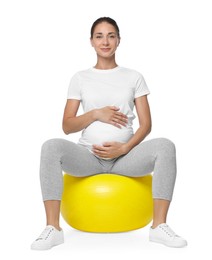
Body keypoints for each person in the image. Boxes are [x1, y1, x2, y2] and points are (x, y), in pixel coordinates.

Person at [31, 17, 187, 250]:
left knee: (165, 146)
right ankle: (52, 228)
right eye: (99, 36)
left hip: (125, 159)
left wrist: (125, 148)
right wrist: (95, 114)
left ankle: (159, 227)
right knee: (50, 146)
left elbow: (146, 125)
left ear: (118, 40)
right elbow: (67, 125)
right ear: (91, 42)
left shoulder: (134, 77)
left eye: (111, 35)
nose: (105, 41)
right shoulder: (80, 78)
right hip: (88, 157)